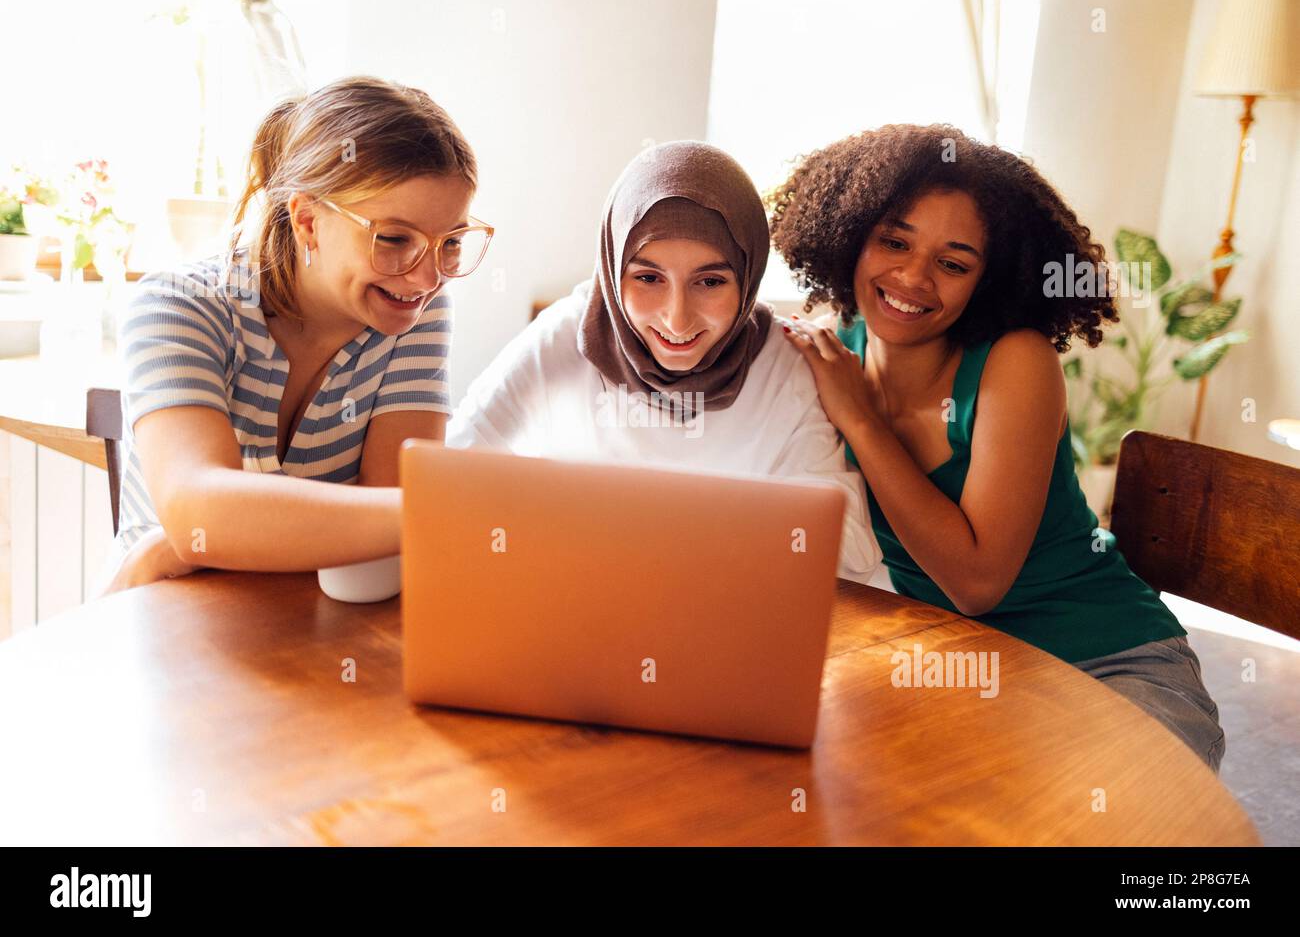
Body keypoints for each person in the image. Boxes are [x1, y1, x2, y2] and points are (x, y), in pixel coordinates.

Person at [772, 124, 1224, 771]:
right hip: (957, 673)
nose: (913, 277)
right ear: (851, 235)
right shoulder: (831, 354)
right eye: (894, 241)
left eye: (952, 263)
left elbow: (977, 583)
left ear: (988, 280)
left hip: (1108, 668)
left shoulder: (1016, 362)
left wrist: (863, 423)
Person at [97, 76, 492, 594]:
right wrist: (445, 512)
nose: (427, 276)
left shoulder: (414, 309)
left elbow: (384, 527)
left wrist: (188, 542)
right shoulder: (179, 305)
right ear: (307, 220)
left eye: (452, 243)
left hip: (298, 618)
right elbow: (198, 513)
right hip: (160, 617)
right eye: (394, 238)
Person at [447, 141, 880, 582]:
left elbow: (845, 554)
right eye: (648, 278)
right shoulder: (565, 336)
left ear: (748, 277)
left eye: (710, 281)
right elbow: (449, 472)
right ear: (614, 270)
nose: (677, 319)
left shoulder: (784, 363)